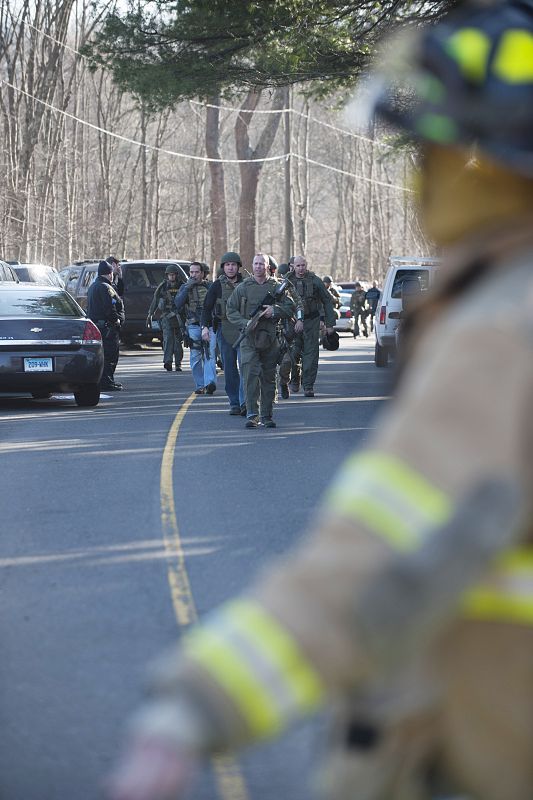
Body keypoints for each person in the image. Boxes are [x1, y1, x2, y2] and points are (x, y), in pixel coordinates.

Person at [108, 3, 533, 799]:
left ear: (477, 164)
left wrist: (201, 702)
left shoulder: (503, 326)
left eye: (431, 149)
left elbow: (374, 553)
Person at [226, 252, 294, 428]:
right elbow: (230, 310)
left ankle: (266, 415)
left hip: (270, 338)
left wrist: (274, 311)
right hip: (249, 338)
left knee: (268, 377)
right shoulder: (243, 287)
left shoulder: (276, 286)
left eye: (261, 264)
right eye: (255, 264)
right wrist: (246, 323)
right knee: (250, 376)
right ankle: (252, 414)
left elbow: (290, 307)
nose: (258, 267)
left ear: (267, 266)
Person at [280, 255, 336, 398]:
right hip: (292, 321)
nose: (300, 268)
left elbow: (327, 301)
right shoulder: (286, 281)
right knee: (293, 353)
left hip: (311, 321)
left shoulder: (315, 280)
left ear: (306, 265)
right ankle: (294, 378)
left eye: (303, 265)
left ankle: (308, 385)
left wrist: (329, 324)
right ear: (292, 266)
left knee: (311, 354)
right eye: (298, 266)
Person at [201, 251, 245, 415]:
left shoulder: (246, 284)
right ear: (223, 267)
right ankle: (234, 402)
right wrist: (205, 327)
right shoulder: (217, 285)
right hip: (223, 328)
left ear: (238, 267)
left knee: (246, 366)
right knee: (229, 368)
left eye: (233, 265)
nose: (230, 268)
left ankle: (245, 401)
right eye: (227, 265)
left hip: (244, 329)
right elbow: (207, 308)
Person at [174, 262, 216, 395]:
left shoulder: (210, 286)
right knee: (195, 356)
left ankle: (210, 383)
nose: (194, 275)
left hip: (209, 325)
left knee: (210, 354)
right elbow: (177, 304)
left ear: (202, 273)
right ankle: (200, 385)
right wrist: (187, 288)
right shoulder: (184, 287)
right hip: (193, 325)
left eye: (197, 272)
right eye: (191, 272)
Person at [86, 260, 125, 391]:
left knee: (103, 356)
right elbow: (109, 307)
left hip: (98, 327)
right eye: (112, 273)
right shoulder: (105, 287)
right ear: (109, 274)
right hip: (107, 327)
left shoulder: (94, 286)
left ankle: (106, 380)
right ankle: (107, 382)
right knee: (110, 356)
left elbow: (117, 293)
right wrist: (116, 320)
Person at [146, 265, 184, 372]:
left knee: (178, 342)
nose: (171, 277)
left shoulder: (182, 286)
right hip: (166, 317)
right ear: (167, 275)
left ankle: (178, 364)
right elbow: (155, 300)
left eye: (173, 275)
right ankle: (168, 362)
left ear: (176, 275)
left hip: (179, 317)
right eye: (170, 275)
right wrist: (150, 314)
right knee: (168, 340)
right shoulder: (163, 286)